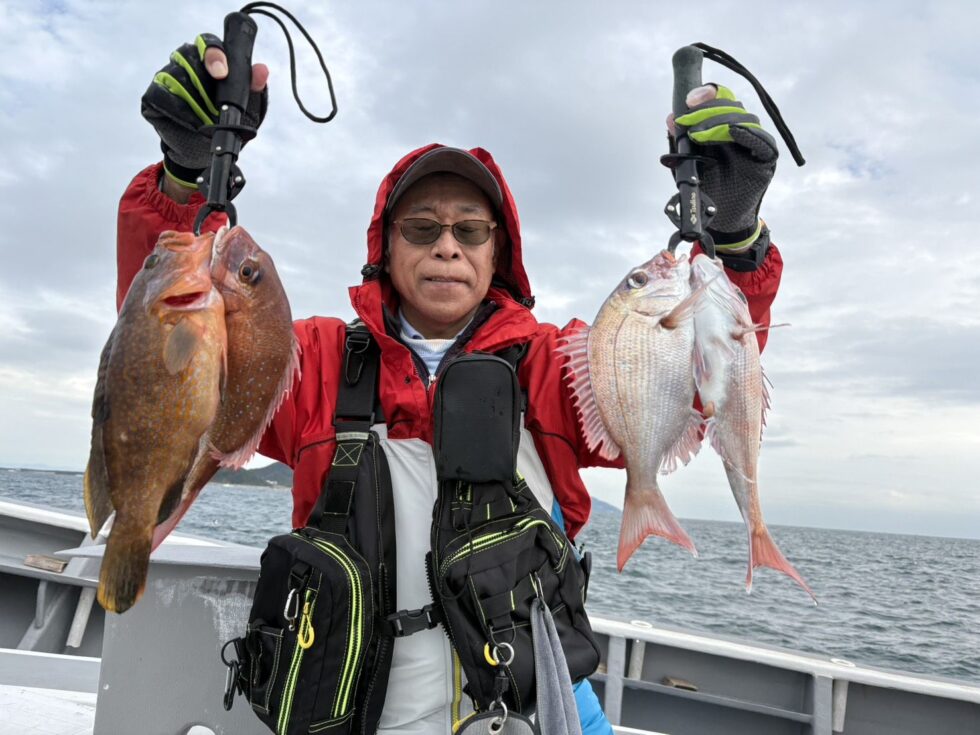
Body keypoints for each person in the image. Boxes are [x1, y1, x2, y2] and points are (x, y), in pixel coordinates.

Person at [117, 35, 782, 735]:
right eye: (422, 227)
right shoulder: (308, 359)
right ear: (385, 244)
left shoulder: (556, 366)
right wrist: (184, 184)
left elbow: (707, 368)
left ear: (499, 252)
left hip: (541, 710)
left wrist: (734, 239)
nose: (446, 245)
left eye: (470, 229)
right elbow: (169, 348)